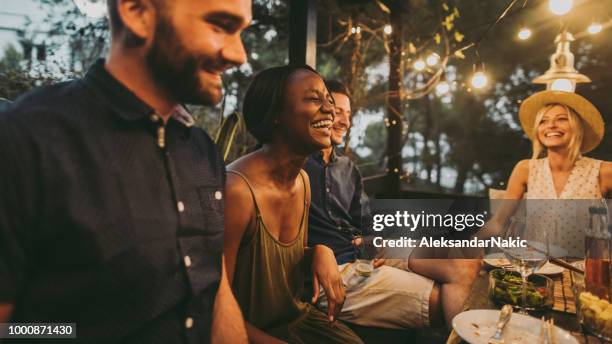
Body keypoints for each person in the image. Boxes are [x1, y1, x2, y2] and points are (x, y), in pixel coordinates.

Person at [0, 0, 252, 342]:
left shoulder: (202, 150)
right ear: (136, 11)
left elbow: (215, 284)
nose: (240, 55)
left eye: (242, 32)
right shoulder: (23, 141)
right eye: (220, 25)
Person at [304, 80, 481, 328]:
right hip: (337, 263)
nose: (344, 121)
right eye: (336, 112)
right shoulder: (294, 166)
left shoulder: (347, 168)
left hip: (369, 250)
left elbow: (366, 219)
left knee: (468, 263)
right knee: (442, 296)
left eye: (348, 114)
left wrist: (374, 238)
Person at [224, 66, 363, 343]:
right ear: (275, 114)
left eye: (329, 100)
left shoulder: (302, 181)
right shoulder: (236, 191)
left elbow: (274, 264)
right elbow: (211, 307)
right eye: (314, 99)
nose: (330, 110)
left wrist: (316, 252)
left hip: (297, 321)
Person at [491, 90, 612, 256]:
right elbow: (498, 222)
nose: (551, 126)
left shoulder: (604, 171)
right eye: (543, 121)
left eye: (562, 119)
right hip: (532, 268)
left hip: (582, 274)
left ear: (578, 127)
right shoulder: (525, 169)